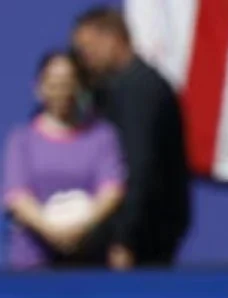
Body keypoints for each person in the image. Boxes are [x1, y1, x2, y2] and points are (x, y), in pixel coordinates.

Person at [72, 5, 190, 269]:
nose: (84, 59)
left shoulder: (139, 89)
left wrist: (125, 238)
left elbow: (139, 166)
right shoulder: (113, 89)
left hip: (143, 239)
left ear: (113, 38)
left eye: (88, 49)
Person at [2, 50, 125, 269]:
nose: (61, 91)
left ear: (80, 87)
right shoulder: (21, 140)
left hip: (88, 259)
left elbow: (111, 190)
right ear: (39, 88)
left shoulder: (102, 136)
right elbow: (17, 195)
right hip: (33, 262)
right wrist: (53, 232)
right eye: (54, 84)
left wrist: (79, 230)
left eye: (68, 83)